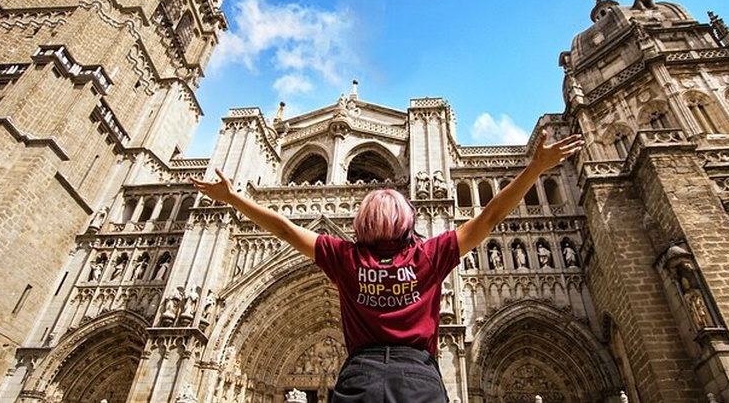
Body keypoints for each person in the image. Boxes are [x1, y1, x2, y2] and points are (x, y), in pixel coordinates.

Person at [191, 131, 583, 402]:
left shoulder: (345, 258)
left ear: (361, 222)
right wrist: (535, 169)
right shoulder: (429, 255)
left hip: (359, 380)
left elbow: (284, 228)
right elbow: (491, 216)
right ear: (409, 221)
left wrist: (233, 198)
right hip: (418, 380)